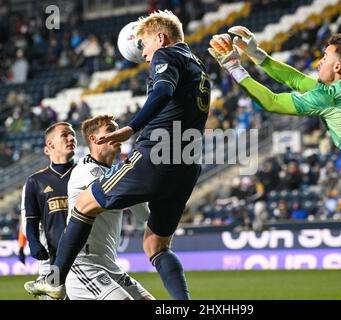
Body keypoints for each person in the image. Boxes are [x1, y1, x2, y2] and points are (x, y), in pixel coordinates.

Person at [208, 27, 341, 300]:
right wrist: (257, 54)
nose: (319, 62)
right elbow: (298, 80)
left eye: (325, 57)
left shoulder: (331, 97)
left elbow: (272, 101)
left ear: (338, 66)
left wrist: (233, 66)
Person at [24, 10, 210, 300]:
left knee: (85, 204)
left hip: (156, 156)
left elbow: (161, 92)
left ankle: (55, 280)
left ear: (160, 38)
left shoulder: (166, 55)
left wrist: (131, 128)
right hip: (187, 164)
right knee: (156, 246)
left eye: (144, 45)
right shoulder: (198, 66)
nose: (145, 54)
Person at [65, 114, 154, 300]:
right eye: (110, 130)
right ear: (94, 138)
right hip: (83, 265)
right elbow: (112, 195)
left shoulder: (120, 175)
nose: (117, 133)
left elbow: (144, 214)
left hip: (110, 266)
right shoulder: (84, 170)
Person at [23, 122, 77, 298]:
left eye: (73, 135)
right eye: (65, 135)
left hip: (87, 258)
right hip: (54, 261)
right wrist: (33, 242)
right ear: (50, 145)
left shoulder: (87, 173)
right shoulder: (35, 181)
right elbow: (31, 220)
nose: (72, 138)